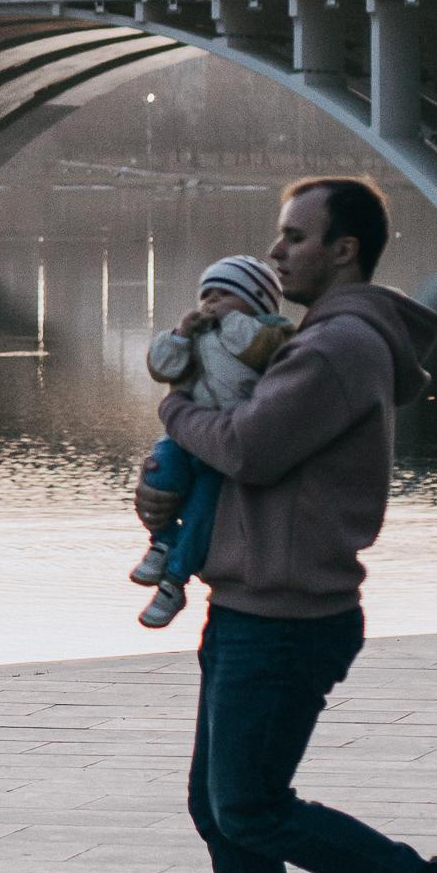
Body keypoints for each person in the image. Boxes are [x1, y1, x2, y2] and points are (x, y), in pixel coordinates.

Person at [142, 176, 437, 873]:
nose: (276, 253)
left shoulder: (335, 348)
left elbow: (251, 449)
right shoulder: (317, 343)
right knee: (222, 806)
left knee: (250, 806)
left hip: (287, 615)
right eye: (278, 236)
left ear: (343, 250)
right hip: (254, 603)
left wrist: (172, 409)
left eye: (294, 237)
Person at [126, 254, 295, 630]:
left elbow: (257, 348)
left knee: (203, 511)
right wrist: (181, 335)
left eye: (224, 294)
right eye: (208, 294)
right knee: (157, 479)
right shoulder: (197, 336)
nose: (212, 302)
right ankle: (162, 541)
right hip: (183, 438)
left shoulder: (273, 331)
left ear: (256, 301)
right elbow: (162, 367)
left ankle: (174, 580)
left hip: (224, 445)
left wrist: (233, 318)